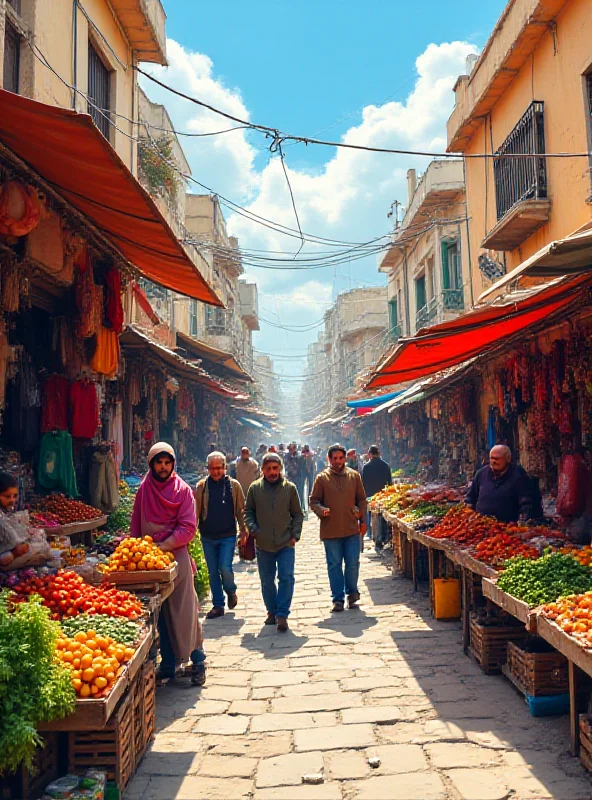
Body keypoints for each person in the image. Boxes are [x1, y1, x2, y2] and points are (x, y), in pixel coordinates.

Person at [130, 443, 206, 686]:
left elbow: (188, 527)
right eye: (159, 462)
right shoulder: (144, 489)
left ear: (173, 464)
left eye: (167, 462)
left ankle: (197, 660)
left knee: (184, 610)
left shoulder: (182, 490)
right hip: (149, 559)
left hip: (176, 556)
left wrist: (165, 544)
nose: (163, 467)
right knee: (159, 612)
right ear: (152, 464)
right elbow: (136, 522)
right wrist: (135, 549)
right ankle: (169, 664)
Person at [245, 453, 304, 632]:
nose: (272, 472)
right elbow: (248, 511)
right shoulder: (255, 489)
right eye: (268, 469)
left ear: (280, 469)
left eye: (275, 468)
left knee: (286, 578)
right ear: (262, 470)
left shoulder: (290, 488)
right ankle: (271, 611)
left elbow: (298, 514)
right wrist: (253, 528)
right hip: (263, 544)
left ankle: (282, 614)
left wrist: (295, 535)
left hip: (285, 542)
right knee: (267, 580)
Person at [310, 444, 368, 612]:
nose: (338, 462)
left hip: (351, 529)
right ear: (329, 459)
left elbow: (362, 500)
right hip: (331, 530)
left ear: (345, 459)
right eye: (334, 458)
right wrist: (321, 510)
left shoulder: (354, 476)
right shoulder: (322, 478)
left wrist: (362, 519)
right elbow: (313, 501)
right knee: (334, 565)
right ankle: (338, 598)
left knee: (352, 563)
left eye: (340, 458)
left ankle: (352, 594)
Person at [195, 451, 247, 619]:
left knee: (225, 567)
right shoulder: (202, 487)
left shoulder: (234, 486)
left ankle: (230, 590)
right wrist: (192, 532)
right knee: (212, 571)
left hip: (228, 535)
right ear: (208, 469)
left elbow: (240, 510)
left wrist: (244, 530)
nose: (216, 471)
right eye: (212, 468)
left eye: (219, 468)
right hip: (208, 536)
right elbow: (196, 512)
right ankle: (218, 605)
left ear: (225, 467)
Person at [465, 444, 531, 523]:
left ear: (507, 459)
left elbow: (526, 503)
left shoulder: (518, 476)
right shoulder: (481, 474)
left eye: (497, 459)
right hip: (481, 525)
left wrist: (522, 522)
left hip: (506, 527)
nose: (493, 461)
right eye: (491, 458)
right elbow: (470, 498)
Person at [362, 445, 393, 549]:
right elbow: (390, 483)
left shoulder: (366, 467)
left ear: (370, 454)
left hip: (370, 496)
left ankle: (376, 538)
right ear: (379, 454)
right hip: (383, 495)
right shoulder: (385, 465)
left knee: (373, 517)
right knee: (382, 516)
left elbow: (363, 483)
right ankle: (383, 537)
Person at [284, 443, 305, 508]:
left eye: (292, 449)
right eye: (290, 449)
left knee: (299, 492)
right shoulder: (287, 456)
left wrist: (296, 468)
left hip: (299, 476)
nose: (291, 450)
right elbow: (286, 465)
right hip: (290, 476)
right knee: (290, 492)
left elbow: (302, 465)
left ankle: (300, 506)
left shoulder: (300, 456)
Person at [301, 445, 316, 514]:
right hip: (304, 472)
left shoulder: (311, 454)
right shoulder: (302, 455)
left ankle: (310, 503)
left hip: (310, 472)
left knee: (310, 488)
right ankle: (303, 505)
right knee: (303, 489)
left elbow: (313, 464)